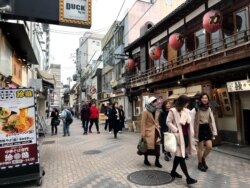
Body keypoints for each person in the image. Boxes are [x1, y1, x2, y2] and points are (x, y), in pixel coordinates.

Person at [166, 95, 197, 185]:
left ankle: (173, 171)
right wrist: (176, 130)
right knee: (181, 156)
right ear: (182, 102)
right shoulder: (173, 111)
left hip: (186, 136)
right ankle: (188, 178)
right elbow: (168, 122)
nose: (187, 104)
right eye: (186, 102)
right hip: (178, 136)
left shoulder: (186, 111)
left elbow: (190, 121)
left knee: (178, 156)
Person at [194, 92, 217, 172]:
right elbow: (192, 119)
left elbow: (211, 120)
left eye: (206, 98)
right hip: (199, 128)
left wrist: (214, 130)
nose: (205, 99)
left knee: (209, 147)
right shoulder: (196, 108)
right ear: (200, 99)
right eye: (203, 98)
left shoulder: (209, 108)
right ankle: (200, 163)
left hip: (207, 128)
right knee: (200, 148)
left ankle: (203, 158)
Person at [141, 96, 162, 168]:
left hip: (156, 131)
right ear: (151, 103)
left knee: (157, 146)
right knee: (147, 147)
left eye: (156, 102)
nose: (156, 103)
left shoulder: (157, 110)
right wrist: (143, 133)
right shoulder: (145, 111)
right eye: (155, 102)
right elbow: (143, 123)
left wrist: (158, 126)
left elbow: (157, 120)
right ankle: (145, 159)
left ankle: (157, 161)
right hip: (148, 132)